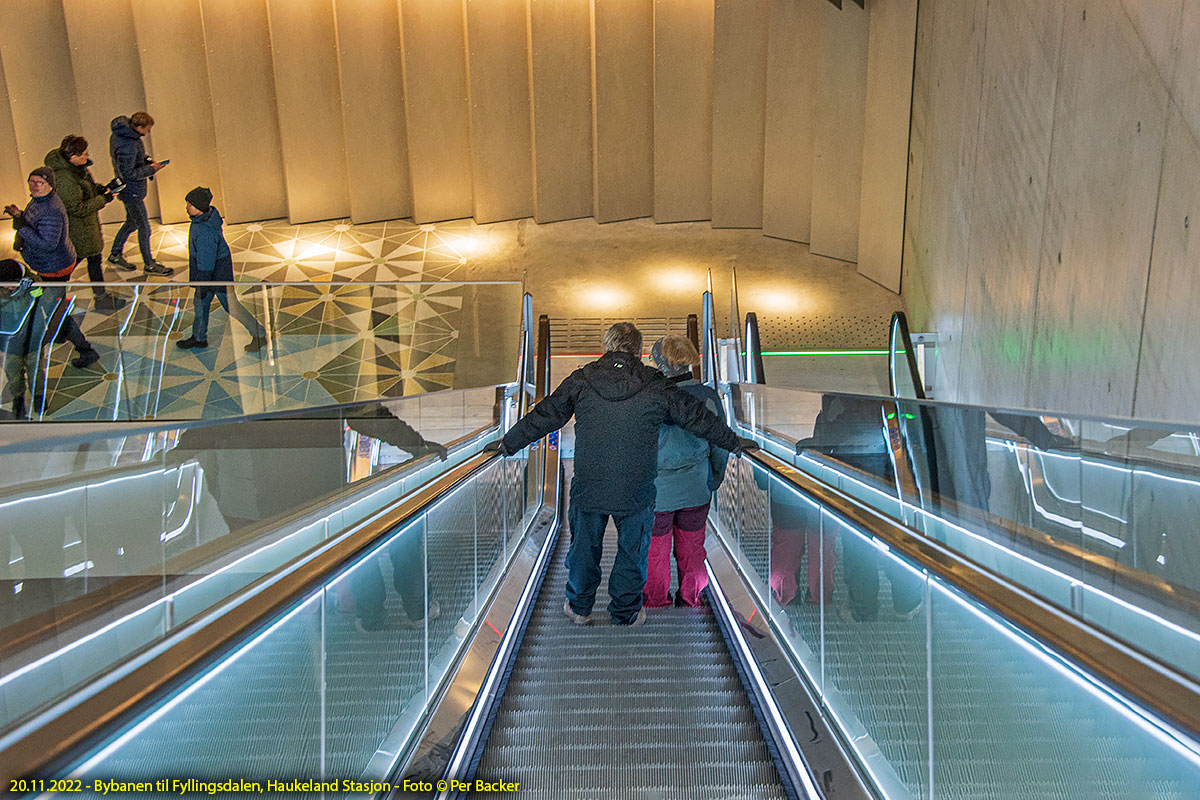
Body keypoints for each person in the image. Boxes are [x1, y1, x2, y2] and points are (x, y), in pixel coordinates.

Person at [490, 322, 755, 627]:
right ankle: (626, 612)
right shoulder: (655, 383)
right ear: (639, 351)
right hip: (637, 487)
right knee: (633, 552)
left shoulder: (582, 379)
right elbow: (696, 418)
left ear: (607, 346)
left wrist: (507, 444)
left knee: (583, 550)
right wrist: (733, 442)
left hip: (590, 484)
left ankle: (579, 607)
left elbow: (545, 415)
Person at [643, 335, 730, 608]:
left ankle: (655, 600)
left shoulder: (648, 398)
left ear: (659, 363)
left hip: (657, 491)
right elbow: (721, 441)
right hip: (695, 487)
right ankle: (691, 598)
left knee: (655, 550)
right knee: (692, 547)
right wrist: (714, 477)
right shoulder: (707, 397)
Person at [4, 168, 101, 375]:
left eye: (39, 182)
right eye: (31, 181)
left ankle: (86, 350)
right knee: (54, 309)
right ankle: (63, 332)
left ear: (50, 184)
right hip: (46, 266)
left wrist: (22, 227)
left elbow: (48, 244)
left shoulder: (51, 209)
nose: (34, 185)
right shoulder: (38, 200)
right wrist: (20, 215)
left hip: (54, 268)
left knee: (55, 312)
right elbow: (34, 225)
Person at [176, 187, 267, 353]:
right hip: (212, 272)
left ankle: (259, 333)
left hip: (216, 274)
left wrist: (201, 285)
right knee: (200, 305)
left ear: (198, 206)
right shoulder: (203, 220)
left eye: (189, 204)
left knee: (231, 306)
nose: (186, 207)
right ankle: (198, 337)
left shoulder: (204, 229)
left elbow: (206, 262)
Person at [44, 135, 126, 313]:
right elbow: (77, 208)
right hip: (76, 230)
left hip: (86, 229)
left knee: (94, 259)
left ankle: (101, 298)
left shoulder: (77, 168)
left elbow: (85, 189)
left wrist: (99, 189)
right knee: (68, 266)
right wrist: (103, 199)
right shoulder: (64, 178)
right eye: (84, 154)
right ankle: (54, 304)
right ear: (73, 156)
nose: (87, 157)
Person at [107, 112, 172, 276]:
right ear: (139, 127)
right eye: (148, 129)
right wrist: (152, 169)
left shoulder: (125, 136)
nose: (148, 132)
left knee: (132, 222)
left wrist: (148, 160)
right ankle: (149, 264)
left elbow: (134, 158)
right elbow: (128, 172)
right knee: (143, 226)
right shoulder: (128, 143)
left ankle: (115, 254)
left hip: (130, 191)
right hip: (132, 191)